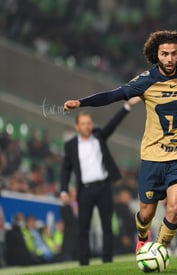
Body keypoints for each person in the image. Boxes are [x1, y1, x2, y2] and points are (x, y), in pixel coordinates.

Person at [62, 30, 177, 258]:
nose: (169, 58)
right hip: (152, 157)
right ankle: (142, 237)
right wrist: (81, 102)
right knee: (145, 214)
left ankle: (159, 250)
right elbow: (114, 95)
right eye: (164, 54)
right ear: (157, 55)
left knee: (176, 205)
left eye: (174, 53)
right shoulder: (146, 80)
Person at [60, 97, 139, 265]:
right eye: (83, 123)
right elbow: (65, 169)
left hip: (104, 187)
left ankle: (107, 261)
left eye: (89, 122)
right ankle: (83, 263)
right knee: (84, 227)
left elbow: (113, 123)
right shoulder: (71, 145)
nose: (87, 126)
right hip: (85, 190)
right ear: (77, 126)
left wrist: (127, 106)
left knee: (107, 226)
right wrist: (63, 190)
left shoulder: (99, 136)